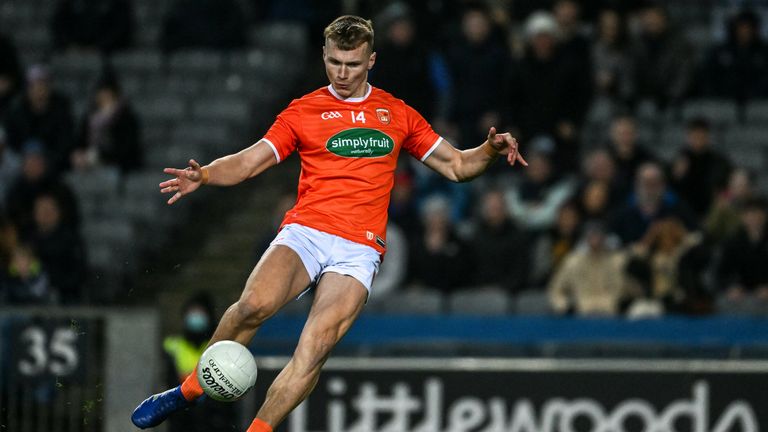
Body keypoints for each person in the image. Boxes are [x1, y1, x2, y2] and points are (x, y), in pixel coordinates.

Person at [131, 15, 527, 432]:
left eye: (352, 64)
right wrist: (206, 174)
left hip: (358, 250)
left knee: (314, 348)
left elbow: (458, 165)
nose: (342, 73)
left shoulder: (397, 114)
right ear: (324, 55)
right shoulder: (303, 112)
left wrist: (488, 149)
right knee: (251, 307)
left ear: (371, 60)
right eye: (334, 62)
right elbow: (250, 162)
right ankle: (189, 389)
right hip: (307, 231)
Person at [4, 65, 76, 173]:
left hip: (52, 160)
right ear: (27, 89)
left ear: (49, 87)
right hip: (22, 160)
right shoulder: (17, 110)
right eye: (33, 86)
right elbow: (12, 142)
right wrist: (27, 160)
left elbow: (65, 143)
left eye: (42, 85)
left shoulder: (61, 110)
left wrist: (44, 161)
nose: (38, 90)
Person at [72, 74, 143, 174]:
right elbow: (81, 139)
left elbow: (126, 147)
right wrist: (79, 153)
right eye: (101, 93)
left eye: (107, 93)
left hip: (117, 164)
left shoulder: (125, 117)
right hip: (90, 161)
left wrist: (101, 156)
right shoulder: (90, 115)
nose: (104, 96)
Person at [669, 117, 732, 219]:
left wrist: (725, 197)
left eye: (701, 136)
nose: (698, 140)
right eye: (695, 136)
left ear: (707, 137)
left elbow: (727, 187)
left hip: (711, 214)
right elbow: (669, 191)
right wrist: (676, 176)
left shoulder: (719, 162)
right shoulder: (678, 161)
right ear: (688, 137)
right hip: (683, 213)